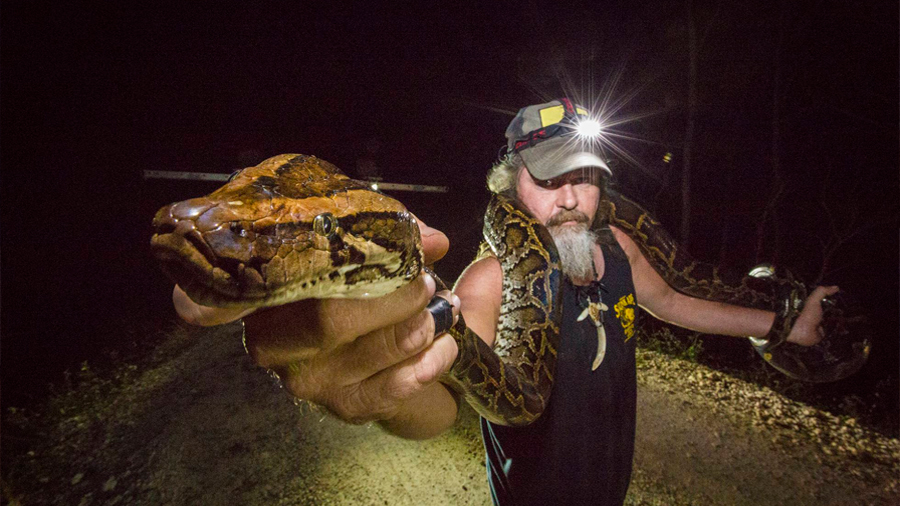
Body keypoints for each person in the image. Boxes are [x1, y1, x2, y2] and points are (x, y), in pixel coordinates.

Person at [172, 99, 837, 505]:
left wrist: (784, 324)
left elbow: (676, 302)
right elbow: (438, 408)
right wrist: (394, 379)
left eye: (585, 180)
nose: (571, 199)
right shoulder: (492, 278)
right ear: (511, 185)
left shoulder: (619, 252)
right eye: (551, 180)